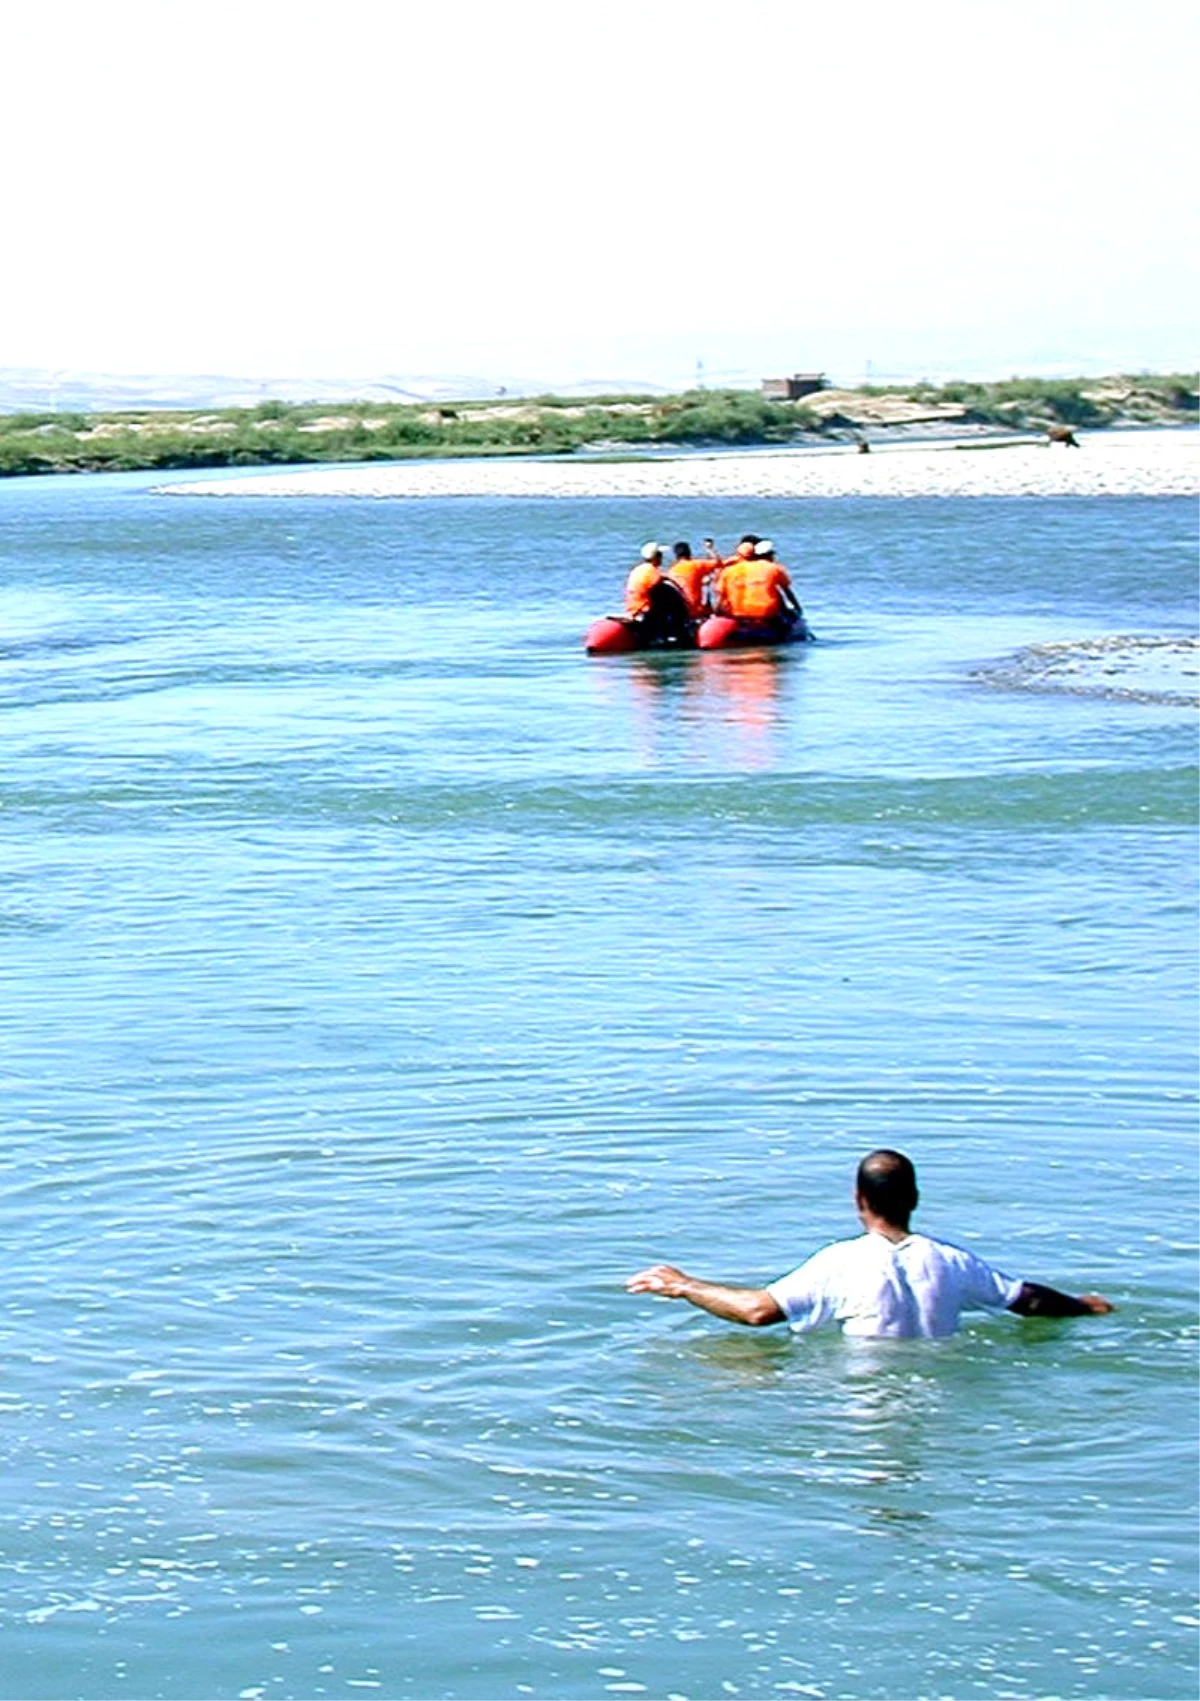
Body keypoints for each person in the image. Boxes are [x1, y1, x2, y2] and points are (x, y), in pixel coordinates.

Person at [626, 1149, 1114, 1338]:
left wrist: (684, 1285)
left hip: (861, 1400)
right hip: (939, 1391)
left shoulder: (840, 1262)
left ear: (858, 1199)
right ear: (916, 1198)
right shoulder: (951, 1260)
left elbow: (759, 1312)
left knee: (741, 1366)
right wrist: (1085, 1306)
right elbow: (1026, 1300)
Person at [714, 538, 802, 628]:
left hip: (737, 614)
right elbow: (787, 591)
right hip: (766, 615)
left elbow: (721, 598)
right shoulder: (774, 568)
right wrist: (798, 609)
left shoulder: (727, 571)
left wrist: (716, 615)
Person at [624, 541, 693, 645]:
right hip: (646, 611)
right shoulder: (653, 573)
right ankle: (677, 631)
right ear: (656, 557)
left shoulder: (637, 570)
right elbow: (664, 593)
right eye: (660, 555)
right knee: (671, 596)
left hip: (634, 609)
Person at [667, 540, 718, 620]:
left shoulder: (671, 571)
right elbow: (718, 563)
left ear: (676, 556)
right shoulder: (696, 565)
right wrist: (709, 549)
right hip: (696, 611)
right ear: (689, 552)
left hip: (680, 611)